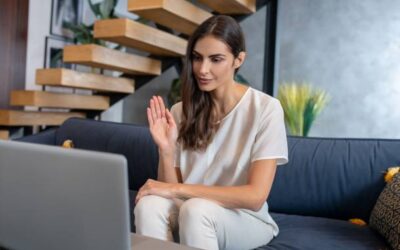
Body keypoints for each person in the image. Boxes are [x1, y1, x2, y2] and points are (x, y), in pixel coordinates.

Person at [134, 15, 288, 250]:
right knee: (149, 205)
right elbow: (169, 190)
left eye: (216, 59)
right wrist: (166, 150)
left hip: (244, 219)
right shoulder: (179, 111)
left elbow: (255, 197)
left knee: (196, 210)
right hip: (189, 210)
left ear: (238, 60)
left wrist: (176, 189)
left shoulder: (266, 109)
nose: (202, 69)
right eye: (197, 58)